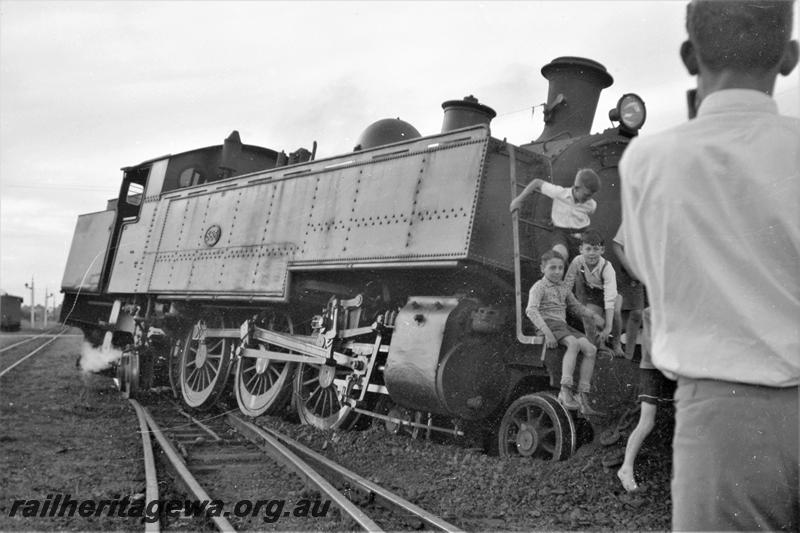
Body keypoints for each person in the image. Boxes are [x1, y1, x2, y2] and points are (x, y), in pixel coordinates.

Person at [619, 1, 799, 529]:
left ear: (688, 55)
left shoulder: (648, 162)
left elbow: (651, 273)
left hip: (725, 418)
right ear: (788, 57)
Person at [526, 250, 605, 416]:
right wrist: (547, 333)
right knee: (573, 344)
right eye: (552, 268)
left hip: (562, 325)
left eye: (560, 268)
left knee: (590, 349)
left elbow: (575, 306)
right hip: (548, 324)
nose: (557, 271)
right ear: (543, 269)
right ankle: (565, 389)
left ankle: (582, 395)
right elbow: (531, 310)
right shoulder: (538, 287)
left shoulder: (563, 288)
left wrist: (593, 315)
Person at [616, 307, 676, 492]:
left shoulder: (683, 308)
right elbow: (650, 347)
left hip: (674, 369)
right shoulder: (651, 312)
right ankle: (626, 468)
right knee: (647, 422)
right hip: (653, 369)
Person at [510, 168, 601, 261]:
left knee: (586, 261)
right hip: (561, 233)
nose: (588, 198)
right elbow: (537, 182)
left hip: (580, 235)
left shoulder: (591, 205)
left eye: (591, 196)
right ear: (576, 187)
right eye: (586, 195)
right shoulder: (560, 193)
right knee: (560, 255)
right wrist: (519, 200)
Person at [563, 230, 624, 358]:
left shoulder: (607, 268)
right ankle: (597, 345)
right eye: (588, 249)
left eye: (595, 249)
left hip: (612, 293)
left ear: (602, 250)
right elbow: (567, 285)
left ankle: (616, 343)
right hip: (594, 293)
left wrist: (608, 327)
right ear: (581, 249)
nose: (591, 253)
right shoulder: (577, 261)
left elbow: (609, 299)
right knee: (587, 314)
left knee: (616, 313)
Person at [611, 227, 644, 360]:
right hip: (622, 273)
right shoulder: (631, 221)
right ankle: (616, 345)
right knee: (616, 310)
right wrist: (630, 269)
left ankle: (629, 356)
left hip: (643, 274)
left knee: (637, 313)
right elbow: (616, 245)